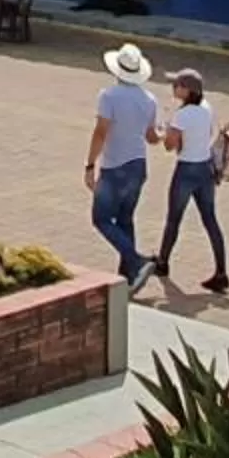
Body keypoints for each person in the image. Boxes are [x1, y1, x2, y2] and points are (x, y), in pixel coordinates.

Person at [85, 43, 161, 289]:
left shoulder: (108, 96)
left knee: (102, 218)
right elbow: (151, 136)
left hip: (114, 166)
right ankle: (128, 274)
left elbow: (101, 132)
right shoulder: (149, 99)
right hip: (138, 165)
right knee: (126, 218)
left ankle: (136, 261)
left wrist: (90, 165)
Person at [152, 68, 229, 294]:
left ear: (187, 90)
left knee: (174, 219)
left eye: (177, 85)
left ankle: (163, 262)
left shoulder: (182, 116)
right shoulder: (206, 108)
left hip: (186, 169)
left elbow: (170, 145)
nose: (173, 88)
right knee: (210, 220)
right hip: (205, 169)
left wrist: (166, 130)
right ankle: (221, 272)